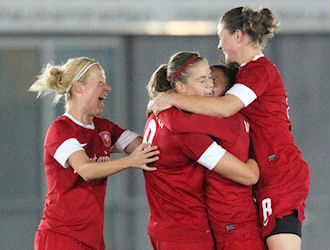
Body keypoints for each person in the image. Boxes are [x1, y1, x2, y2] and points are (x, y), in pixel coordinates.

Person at [151, 7, 311, 250]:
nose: (218, 45)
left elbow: (225, 107)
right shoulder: (246, 74)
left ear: (238, 36)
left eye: (221, 36)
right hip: (269, 175)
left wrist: (172, 101)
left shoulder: (260, 69)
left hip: (280, 173)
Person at [29, 57, 159, 250]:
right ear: (78, 87)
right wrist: (130, 161)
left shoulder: (103, 127)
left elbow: (147, 146)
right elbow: (85, 169)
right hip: (61, 238)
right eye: (100, 82)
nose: (107, 88)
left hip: (93, 241)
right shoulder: (61, 129)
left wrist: (164, 112)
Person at [143, 51, 260, 250]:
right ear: (180, 87)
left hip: (164, 227)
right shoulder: (185, 131)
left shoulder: (159, 113)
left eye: (211, 79)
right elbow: (248, 176)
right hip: (188, 233)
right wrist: (255, 163)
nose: (210, 86)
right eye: (203, 80)